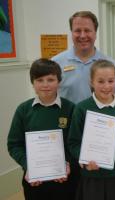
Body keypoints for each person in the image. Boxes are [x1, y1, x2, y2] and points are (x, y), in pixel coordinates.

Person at [7, 58, 78, 200]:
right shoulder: (23, 110)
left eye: (50, 80)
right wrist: (29, 165)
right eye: (39, 80)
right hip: (35, 180)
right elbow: (14, 144)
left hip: (65, 177)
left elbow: (75, 142)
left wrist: (67, 164)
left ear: (59, 81)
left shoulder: (70, 108)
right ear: (32, 83)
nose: (45, 85)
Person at [68, 59, 115, 200]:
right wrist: (84, 160)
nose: (106, 86)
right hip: (93, 176)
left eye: (111, 81)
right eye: (100, 81)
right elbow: (73, 143)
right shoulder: (82, 108)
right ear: (91, 82)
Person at [52, 11, 115, 104]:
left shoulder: (111, 65)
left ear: (95, 33)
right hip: (67, 118)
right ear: (71, 33)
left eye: (87, 30)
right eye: (77, 31)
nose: (83, 35)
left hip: (100, 118)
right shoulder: (56, 63)